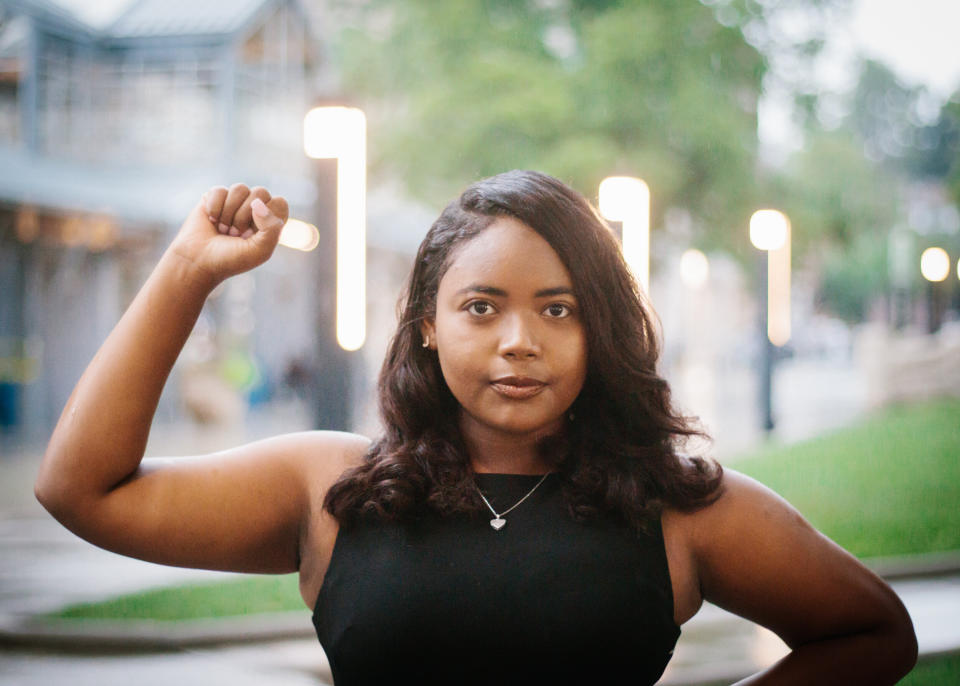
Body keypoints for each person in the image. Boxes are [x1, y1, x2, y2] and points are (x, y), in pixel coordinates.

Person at [36, 170, 916, 684]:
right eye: (481, 306)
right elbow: (82, 489)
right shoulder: (333, 489)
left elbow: (875, 632)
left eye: (559, 309)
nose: (519, 342)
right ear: (427, 321)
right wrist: (189, 267)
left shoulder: (678, 504)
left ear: (598, 325)